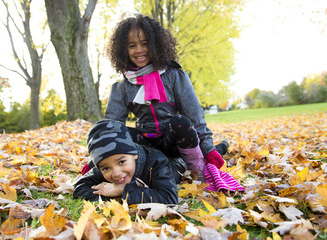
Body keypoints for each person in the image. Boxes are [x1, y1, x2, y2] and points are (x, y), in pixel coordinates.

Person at [98, 14, 228, 181]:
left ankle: (198, 169)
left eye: (145, 43)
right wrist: (99, 156)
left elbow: (195, 116)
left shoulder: (175, 76)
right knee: (121, 133)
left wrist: (209, 149)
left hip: (173, 141)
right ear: (124, 50)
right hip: (146, 142)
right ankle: (156, 168)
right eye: (132, 45)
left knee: (181, 122)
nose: (139, 50)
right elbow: (111, 127)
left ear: (155, 45)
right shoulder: (122, 87)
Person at [74, 119, 187, 204]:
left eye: (121, 162)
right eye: (106, 168)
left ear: (134, 155)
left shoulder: (156, 163)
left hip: (175, 163)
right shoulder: (108, 162)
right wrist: (112, 198)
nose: (116, 173)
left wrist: (123, 191)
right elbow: (80, 188)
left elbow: (169, 198)